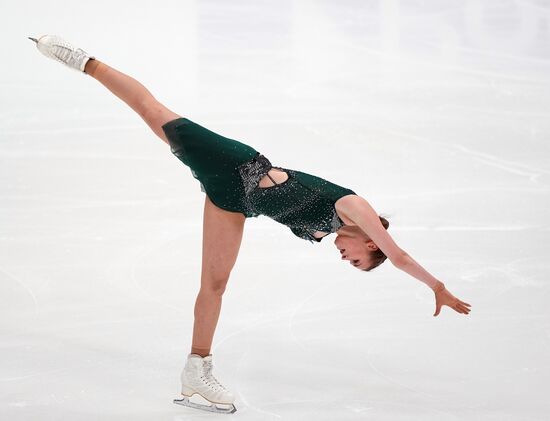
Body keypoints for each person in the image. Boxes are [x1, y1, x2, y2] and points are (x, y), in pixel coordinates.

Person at [29, 35, 472, 415]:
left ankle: (196, 368)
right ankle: (81, 59)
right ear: (371, 246)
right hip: (236, 164)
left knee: (214, 285)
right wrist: (436, 286)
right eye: (356, 261)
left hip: (233, 203)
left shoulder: (326, 231)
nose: (347, 259)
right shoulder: (356, 209)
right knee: (152, 111)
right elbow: (400, 255)